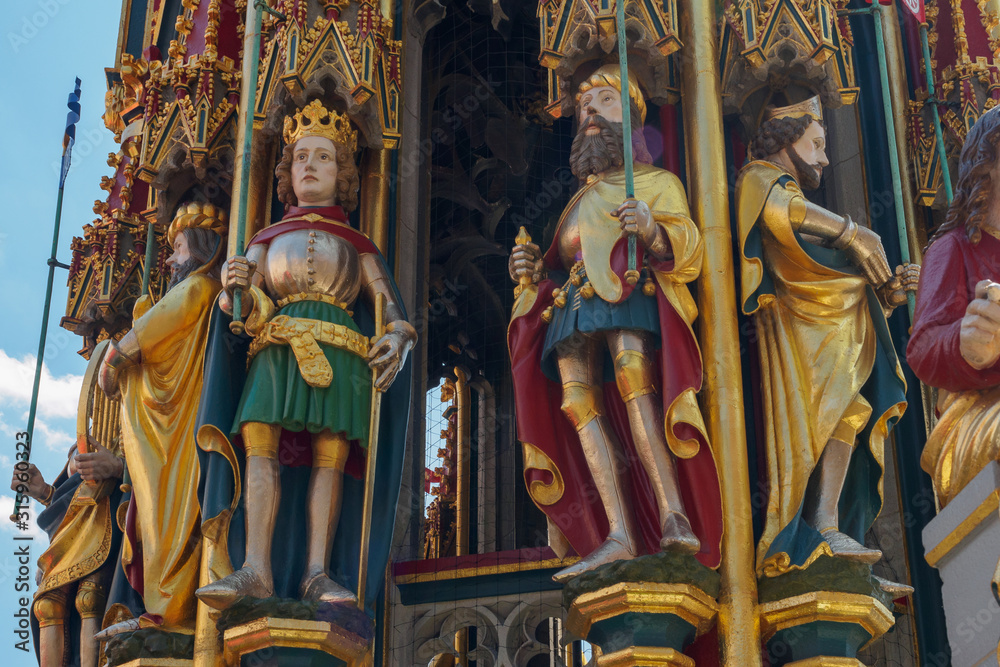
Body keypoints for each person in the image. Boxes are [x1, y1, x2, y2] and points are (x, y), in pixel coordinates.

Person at [195, 100, 416, 609]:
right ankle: (255, 567)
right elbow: (238, 309)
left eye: (324, 157)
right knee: (259, 443)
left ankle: (317, 571)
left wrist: (399, 337)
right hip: (276, 347)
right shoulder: (265, 239)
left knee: (330, 455)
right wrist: (234, 287)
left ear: (343, 175)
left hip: (341, 352)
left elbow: (391, 310)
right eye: (300, 157)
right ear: (286, 172)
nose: (310, 166)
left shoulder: (358, 244)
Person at [508, 64, 722, 582]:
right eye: (585, 108)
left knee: (634, 383)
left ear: (632, 116)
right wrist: (532, 272)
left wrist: (651, 229)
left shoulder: (655, 182)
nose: (590, 115)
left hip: (629, 292)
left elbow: (688, 246)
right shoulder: (575, 201)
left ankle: (673, 512)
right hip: (573, 305)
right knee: (577, 403)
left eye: (604, 101)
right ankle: (618, 533)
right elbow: (562, 261)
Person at [735, 95, 918, 582]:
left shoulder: (796, 196)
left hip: (832, 326)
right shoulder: (757, 178)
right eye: (815, 143)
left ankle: (829, 524)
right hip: (797, 338)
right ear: (785, 138)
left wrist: (888, 294)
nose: (823, 158)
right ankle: (803, 532)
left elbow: (833, 276)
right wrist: (855, 233)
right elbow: (782, 213)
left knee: (853, 413)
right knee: (827, 419)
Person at [98, 202, 227, 633]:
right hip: (161, 430)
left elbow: (137, 342)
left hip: (176, 431)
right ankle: (163, 610)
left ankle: (170, 614)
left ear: (204, 248)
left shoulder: (197, 289)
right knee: (158, 520)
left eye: (177, 246)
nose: (170, 258)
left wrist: (111, 362)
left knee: (172, 517)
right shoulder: (192, 290)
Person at [908, 106, 1000, 509]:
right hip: (980, 410)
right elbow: (923, 346)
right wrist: (966, 346)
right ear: (989, 166)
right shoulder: (955, 248)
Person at [12, 441, 123, 667]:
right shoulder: (87, 436)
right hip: (78, 530)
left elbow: (166, 470)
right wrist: (44, 492)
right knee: (47, 605)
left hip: (122, 526)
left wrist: (120, 468)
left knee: (90, 597)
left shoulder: (143, 412)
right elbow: (76, 495)